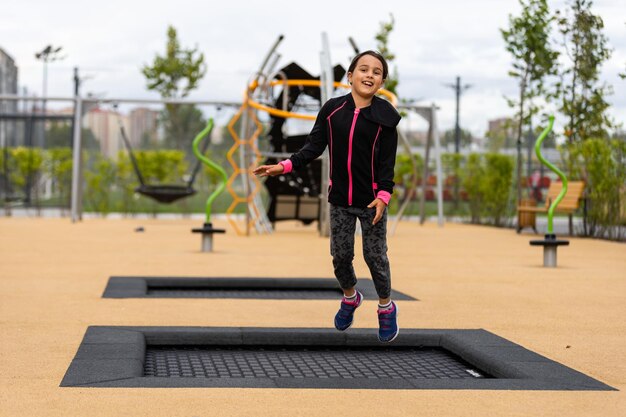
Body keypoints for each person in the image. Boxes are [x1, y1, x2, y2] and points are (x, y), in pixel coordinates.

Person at [253, 50, 401, 342]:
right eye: (363, 69)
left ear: (382, 82)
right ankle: (350, 297)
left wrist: (383, 196)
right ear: (349, 76)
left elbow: (387, 164)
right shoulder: (333, 110)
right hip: (340, 201)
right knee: (340, 257)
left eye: (376, 72)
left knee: (376, 258)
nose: (369, 75)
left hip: (372, 202)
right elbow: (313, 147)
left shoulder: (386, 118)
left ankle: (386, 307)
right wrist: (283, 167)